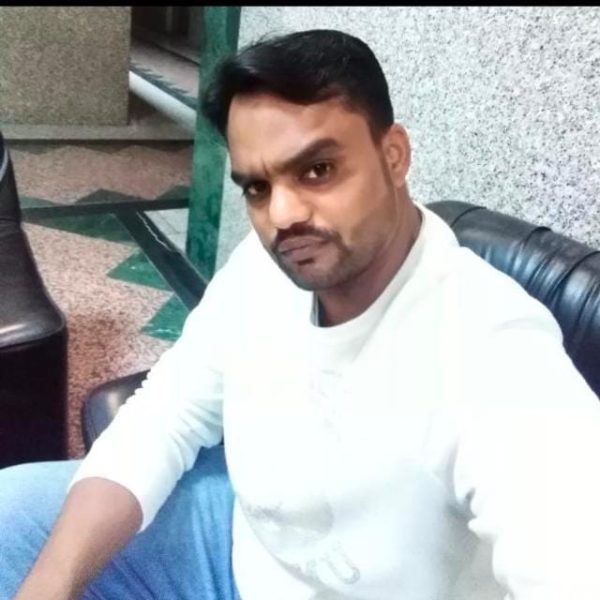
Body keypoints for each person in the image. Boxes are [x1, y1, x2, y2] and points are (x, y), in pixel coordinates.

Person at [2, 28, 600, 600]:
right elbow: (168, 412)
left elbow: (571, 566)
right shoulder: (263, 267)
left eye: (317, 170)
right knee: (11, 509)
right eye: (257, 187)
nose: (282, 215)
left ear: (394, 156)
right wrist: (52, 586)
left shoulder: (495, 351)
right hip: (235, 549)